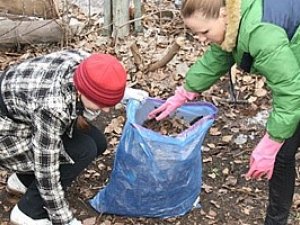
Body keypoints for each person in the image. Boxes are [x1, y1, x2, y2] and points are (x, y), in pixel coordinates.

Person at [148, 0, 300, 224]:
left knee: (280, 151)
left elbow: (290, 93)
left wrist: (270, 143)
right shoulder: (234, 20)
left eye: (204, 32)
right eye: (196, 34)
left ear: (223, 15)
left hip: (294, 85)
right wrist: (184, 93)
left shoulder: (260, 33)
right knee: (283, 154)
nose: (201, 39)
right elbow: (217, 58)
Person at [0, 49, 148, 225]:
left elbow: (98, 82)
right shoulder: (52, 106)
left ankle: (23, 181)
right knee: (83, 150)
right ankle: (28, 212)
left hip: (26, 118)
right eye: (102, 103)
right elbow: (46, 170)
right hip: (8, 135)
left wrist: (121, 93)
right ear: (83, 91)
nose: (107, 110)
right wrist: (65, 220)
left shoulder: (83, 63)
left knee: (98, 142)